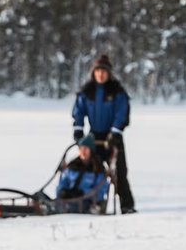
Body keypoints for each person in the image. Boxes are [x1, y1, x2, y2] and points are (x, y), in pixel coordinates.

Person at [72, 54, 136, 214]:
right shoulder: (87, 91)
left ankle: (127, 206)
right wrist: (78, 129)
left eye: (104, 72)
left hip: (112, 137)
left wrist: (115, 132)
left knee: (119, 173)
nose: (100, 74)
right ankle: (92, 202)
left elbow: (121, 113)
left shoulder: (117, 91)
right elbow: (78, 111)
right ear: (93, 73)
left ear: (109, 73)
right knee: (92, 170)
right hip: (94, 137)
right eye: (98, 71)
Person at [55, 133, 109, 213]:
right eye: (81, 149)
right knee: (55, 202)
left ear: (91, 151)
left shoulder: (97, 169)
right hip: (69, 199)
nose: (83, 152)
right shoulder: (73, 166)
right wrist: (62, 191)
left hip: (87, 203)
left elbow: (100, 192)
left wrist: (83, 192)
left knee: (66, 207)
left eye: (86, 149)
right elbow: (63, 181)